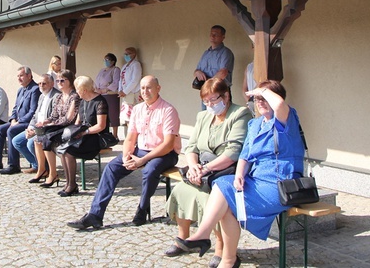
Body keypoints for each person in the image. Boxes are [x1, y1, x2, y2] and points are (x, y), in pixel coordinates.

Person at [176, 81, 304, 267]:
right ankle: (227, 258)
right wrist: (239, 174)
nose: (260, 101)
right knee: (225, 190)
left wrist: (262, 90)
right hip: (256, 179)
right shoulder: (255, 123)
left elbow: (279, 105)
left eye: (264, 97)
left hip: (280, 183)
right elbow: (245, 154)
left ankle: (205, 236)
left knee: (224, 193)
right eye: (257, 98)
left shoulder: (286, 118)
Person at [68, 75, 180, 229]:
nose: (145, 91)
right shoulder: (138, 109)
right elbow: (130, 138)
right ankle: (95, 215)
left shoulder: (168, 110)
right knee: (112, 168)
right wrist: (127, 155)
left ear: (158, 89)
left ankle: (142, 209)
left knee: (150, 169)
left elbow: (168, 144)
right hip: (141, 150)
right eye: (142, 88)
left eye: (149, 87)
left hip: (164, 153)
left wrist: (142, 160)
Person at [164, 78, 251, 257]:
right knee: (181, 190)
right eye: (206, 101)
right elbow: (192, 146)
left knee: (211, 199)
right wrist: (194, 166)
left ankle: (220, 248)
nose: (210, 104)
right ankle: (184, 239)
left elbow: (233, 152)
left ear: (226, 96)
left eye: (213, 100)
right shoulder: (203, 116)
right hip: (202, 170)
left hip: (226, 172)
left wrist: (204, 169)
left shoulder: (240, 114)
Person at [0, 66, 40, 174]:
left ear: (29, 76)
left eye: (21, 76)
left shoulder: (35, 89)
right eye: (17, 76)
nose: (19, 78)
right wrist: (13, 119)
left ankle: (13, 165)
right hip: (16, 121)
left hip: (27, 122)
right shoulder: (20, 90)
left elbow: (33, 111)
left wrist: (19, 121)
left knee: (11, 131)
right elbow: (15, 108)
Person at [33, 70, 80, 191]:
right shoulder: (59, 96)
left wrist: (53, 124)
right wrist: (46, 122)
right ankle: (46, 171)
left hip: (69, 128)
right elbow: (54, 115)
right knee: (39, 136)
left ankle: (53, 174)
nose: (59, 82)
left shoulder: (74, 96)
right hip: (58, 126)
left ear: (70, 81)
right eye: (58, 80)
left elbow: (69, 118)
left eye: (62, 80)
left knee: (46, 137)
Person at [13, 73, 59, 176]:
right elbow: (35, 115)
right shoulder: (42, 96)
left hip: (47, 129)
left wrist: (35, 131)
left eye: (44, 83)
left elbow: (54, 117)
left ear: (52, 84)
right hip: (36, 127)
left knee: (31, 143)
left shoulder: (56, 96)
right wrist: (30, 128)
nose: (41, 86)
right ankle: (37, 165)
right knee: (16, 141)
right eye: (39, 84)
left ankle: (45, 169)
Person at [95, 52, 121, 140]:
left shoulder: (115, 69)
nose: (105, 61)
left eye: (108, 60)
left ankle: (115, 134)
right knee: (103, 113)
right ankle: (105, 134)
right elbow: (97, 80)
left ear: (113, 61)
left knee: (113, 113)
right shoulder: (102, 70)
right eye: (104, 59)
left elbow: (116, 82)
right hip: (100, 94)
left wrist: (105, 90)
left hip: (110, 94)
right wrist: (97, 89)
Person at [118, 46, 142, 130]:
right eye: (125, 54)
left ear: (134, 54)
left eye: (128, 54)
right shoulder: (125, 66)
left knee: (134, 116)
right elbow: (121, 78)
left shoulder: (136, 64)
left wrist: (125, 91)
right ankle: (130, 136)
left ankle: (135, 137)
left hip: (133, 93)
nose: (126, 55)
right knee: (126, 117)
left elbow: (135, 79)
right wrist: (120, 90)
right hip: (125, 94)